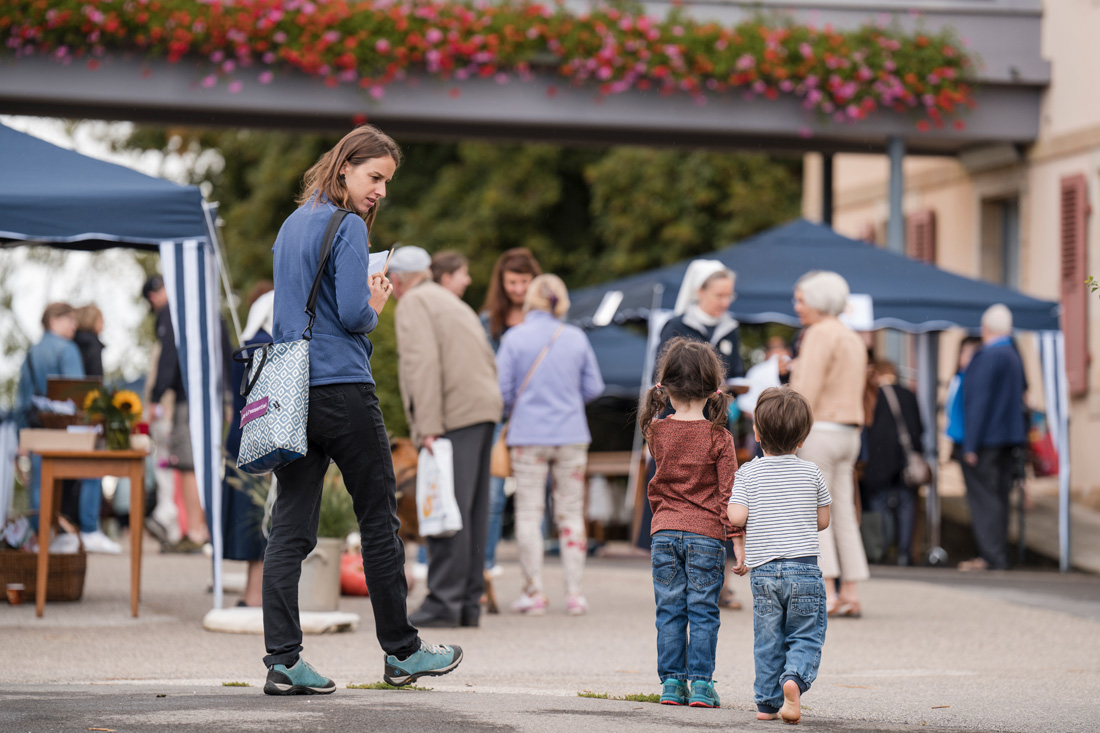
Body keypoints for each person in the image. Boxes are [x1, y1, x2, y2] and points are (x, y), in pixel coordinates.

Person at [265, 125, 462, 695]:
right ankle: (402, 653)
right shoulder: (346, 224)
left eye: (385, 182)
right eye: (374, 177)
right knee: (378, 522)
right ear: (345, 167)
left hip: (292, 387)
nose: (379, 191)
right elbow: (353, 313)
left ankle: (283, 660)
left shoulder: (290, 225)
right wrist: (376, 302)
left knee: (290, 527)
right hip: (344, 387)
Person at [389, 244, 503, 628]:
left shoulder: (414, 303)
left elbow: (422, 365)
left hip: (453, 416)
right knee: (469, 512)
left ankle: (443, 601)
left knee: (444, 508)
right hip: (481, 410)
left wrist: (427, 427)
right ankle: (467, 603)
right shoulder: (449, 300)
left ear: (397, 280)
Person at [637, 337, 740, 708]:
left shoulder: (656, 431)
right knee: (703, 609)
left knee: (669, 609)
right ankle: (700, 684)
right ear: (715, 387)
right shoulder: (720, 437)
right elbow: (729, 496)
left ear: (665, 386)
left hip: (664, 531)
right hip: (707, 535)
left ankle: (670, 684)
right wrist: (739, 545)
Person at [497, 274, 604, 616]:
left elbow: (502, 391)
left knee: (529, 512)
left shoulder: (514, 338)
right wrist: (568, 400)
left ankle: (535, 592)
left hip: (528, 436)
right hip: (571, 434)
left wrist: (520, 406)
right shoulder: (575, 337)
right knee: (570, 512)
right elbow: (594, 387)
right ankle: (575, 594)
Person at [728, 386, 832, 725]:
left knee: (768, 636)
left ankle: (767, 704)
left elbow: (737, 517)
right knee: (804, 632)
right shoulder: (811, 472)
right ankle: (794, 681)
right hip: (803, 569)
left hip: (764, 572)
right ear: (802, 438)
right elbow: (823, 520)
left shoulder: (748, 473)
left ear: (757, 434)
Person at [647, 261, 745, 610]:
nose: (724, 301)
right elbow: (666, 372)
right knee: (682, 488)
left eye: (728, 295)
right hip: (680, 421)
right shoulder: (676, 326)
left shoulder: (730, 328)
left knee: (719, 489)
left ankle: (714, 583)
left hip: (715, 419)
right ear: (699, 291)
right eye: (719, 294)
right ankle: (679, 576)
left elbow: (739, 372)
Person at [789, 270, 868, 617]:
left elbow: (805, 390)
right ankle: (850, 589)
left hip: (819, 430)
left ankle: (829, 590)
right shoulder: (851, 336)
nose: (797, 306)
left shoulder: (818, 333)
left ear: (818, 302)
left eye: (801, 300)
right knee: (844, 512)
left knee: (816, 513)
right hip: (849, 431)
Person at [479, 247, 542, 576]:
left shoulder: (546, 321)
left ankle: (536, 579)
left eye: (524, 282)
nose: (518, 289)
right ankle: (485, 566)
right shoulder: (488, 322)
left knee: (536, 500)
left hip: (538, 418)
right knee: (492, 497)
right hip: (500, 419)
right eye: (512, 282)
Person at [958, 304, 1028, 572]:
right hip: (1009, 438)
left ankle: (991, 555)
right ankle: (998, 554)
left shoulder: (988, 355)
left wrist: (971, 444)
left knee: (984, 499)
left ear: (986, 329)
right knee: (999, 497)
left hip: (986, 440)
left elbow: (979, 401)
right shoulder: (1013, 354)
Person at [144, 275, 209, 553]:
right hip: (200, 393)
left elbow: (169, 356)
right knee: (183, 463)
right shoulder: (192, 308)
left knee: (185, 463)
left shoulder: (169, 313)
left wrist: (156, 397)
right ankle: (190, 528)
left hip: (184, 398)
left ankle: (194, 531)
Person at [15, 302, 85, 552]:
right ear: (53, 321)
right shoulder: (67, 350)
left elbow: (22, 400)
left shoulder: (32, 353)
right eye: (70, 320)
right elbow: (78, 396)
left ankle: (41, 540)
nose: (75, 326)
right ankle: (67, 535)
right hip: (65, 433)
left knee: (39, 487)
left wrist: (21, 438)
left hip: (37, 430)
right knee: (70, 482)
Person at [223, 282, 274, 608]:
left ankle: (250, 592)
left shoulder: (244, 344)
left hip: (240, 435)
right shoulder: (269, 346)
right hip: (264, 435)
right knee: (262, 514)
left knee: (250, 514)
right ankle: (255, 594)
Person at [862, 361, 924, 566]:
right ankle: (905, 553)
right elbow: (919, 428)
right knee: (906, 506)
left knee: (879, 506)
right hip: (905, 462)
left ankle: (880, 549)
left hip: (878, 462)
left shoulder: (872, 396)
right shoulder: (908, 394)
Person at [72, 304, 121, 554]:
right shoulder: (92, 346)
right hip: (90, 416)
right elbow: (95, 384)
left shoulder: (73, 344)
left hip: (71, 418)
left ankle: (74, 527)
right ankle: (90, 529)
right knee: (93, 472)